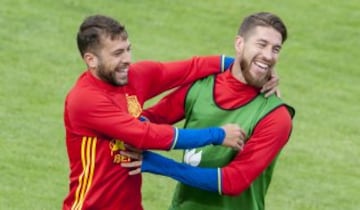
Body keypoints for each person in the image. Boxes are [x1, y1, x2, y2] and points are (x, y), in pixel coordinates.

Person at [62, 14, 254, 210]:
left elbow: (191, 68)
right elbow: (146, 136)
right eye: (117, 53)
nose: (127, 59)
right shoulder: (84, 100)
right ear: (91, 60)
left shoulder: (134, 76)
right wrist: (217, 134)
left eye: (128, 49)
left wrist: (252, 69)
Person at [122, 12, 295, 210]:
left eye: (276, 49)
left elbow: (234, 180)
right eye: (261, 44)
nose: (268, 55)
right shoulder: (202, 86)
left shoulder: (276, 117)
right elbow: (149, 121)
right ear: (239, 44)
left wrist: (160, 164)